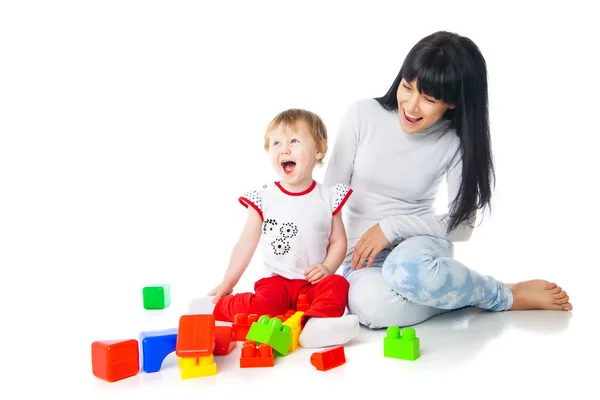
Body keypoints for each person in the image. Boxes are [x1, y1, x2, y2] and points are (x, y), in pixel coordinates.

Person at [323, 31, 573, 330]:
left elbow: (463, 226)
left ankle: (502, 294)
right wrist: (319, 268)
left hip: (418, 251)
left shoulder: (454, 142)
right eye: (407, 87)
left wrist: (391, 227)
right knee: (373, 310)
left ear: (453, 102)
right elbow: (329, 199)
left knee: (411, 273)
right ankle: (462, 294)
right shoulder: (362, 114)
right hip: (362, 257)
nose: (412, 106)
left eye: (428, 99)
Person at [189, 108, 360, 348]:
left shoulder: (328, 197)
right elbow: (246, 243)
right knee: (261, 308)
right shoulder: (264, 197)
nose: (284, 149)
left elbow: (338, 241)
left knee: (338, 284)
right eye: (276, 143)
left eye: (294, 141)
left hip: (313, 282)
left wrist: (327, 267)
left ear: (319, 149)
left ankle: (316, 326)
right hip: (277, 282)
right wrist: (227, 282)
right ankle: (215, 306)